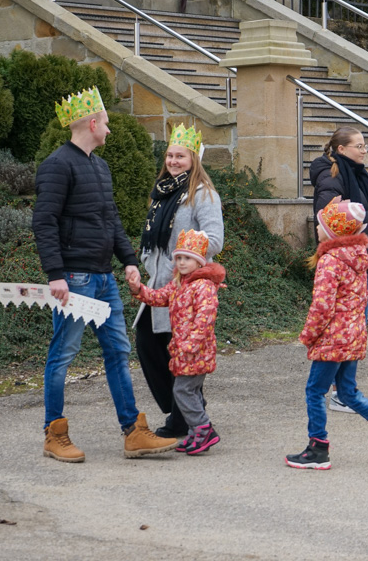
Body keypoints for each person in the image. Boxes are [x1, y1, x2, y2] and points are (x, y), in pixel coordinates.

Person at [33, 87, 177, 462]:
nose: (110, 131)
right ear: (92, 123)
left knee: (118, 351)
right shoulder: (57, 164)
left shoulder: (99, 165)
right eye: (108, 123)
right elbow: (44, 221)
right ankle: (54, 433)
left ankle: (133, 432)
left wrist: (128, 260)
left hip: (103, 278)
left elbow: (109, 218)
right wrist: (55, 274)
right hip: (74, 279)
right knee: (63, 354)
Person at [285, 198, 368, 469]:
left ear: (333, 232)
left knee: (315, 391)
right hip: (351, 336)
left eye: (321, 225)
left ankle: (318, 448)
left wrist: (309, 335)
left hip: (333, 340)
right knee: (347, 393)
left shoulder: (330, 261)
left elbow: (322, 306)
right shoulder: (357, 258)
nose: (317, 229)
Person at [132, 124, 224, 438]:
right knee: (149, 342)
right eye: (170, 155)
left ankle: (181, 417)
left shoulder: (203, 194)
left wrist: (185, 254)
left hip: (188, 287)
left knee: (176, 353)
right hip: (160, 283)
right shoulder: (163, 193)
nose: (173, 161)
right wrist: (146, 264)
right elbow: (153, 240)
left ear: (193, 160)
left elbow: (215, 240)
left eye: (180, 156)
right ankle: (186, 408)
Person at [129, 229, 226, 454]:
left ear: (199, 262)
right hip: (183, 351)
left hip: (195, 352)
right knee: (186, 391)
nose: (182, 263)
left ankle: (204, 429)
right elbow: (159, 297)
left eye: (187, 258)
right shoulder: (179, 284)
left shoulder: (203, 287)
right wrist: (139, 290)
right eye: (179, 258)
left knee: (183, 390)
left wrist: (190, 345)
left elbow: (205, 319)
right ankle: (196, 431)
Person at [309, 126, 368, 414]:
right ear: (341, 149)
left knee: (353, 328)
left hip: (358, 261)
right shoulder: (332, 176)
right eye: (358, 146)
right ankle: (341, 391)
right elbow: (330, 222)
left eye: (365, 146)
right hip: (345, 266)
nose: (364, 151)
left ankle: (343, 389)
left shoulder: (355, 173)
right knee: (346, 328)